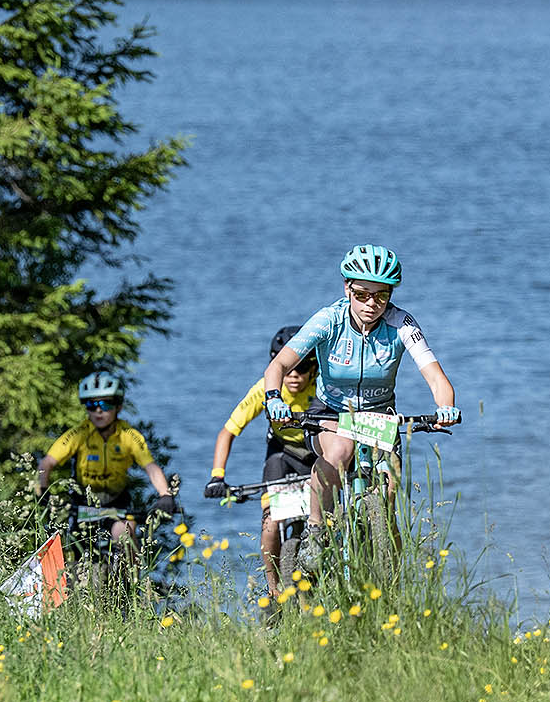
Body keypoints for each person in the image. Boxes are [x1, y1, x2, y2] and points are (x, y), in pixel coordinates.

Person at [262, 244, 459, 574]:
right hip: (331, 412)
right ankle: (315, 532)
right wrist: (273, 398)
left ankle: (391, 583)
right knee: (339, 451)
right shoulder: (329, 319)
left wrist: (446, 407)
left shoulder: (402, 324)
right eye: (362, 294)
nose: (371, 304)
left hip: (380, 415)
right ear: (347, 288)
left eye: (381, 296)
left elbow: (436, 377)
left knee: (389, 496)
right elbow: (279, 365)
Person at [204, 326, 319, 597]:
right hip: (282, 453)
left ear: (314, 368)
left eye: (302, 369)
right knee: (269, 523)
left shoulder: (325, 387)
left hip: (318, 454)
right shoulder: (265, 389)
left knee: (329, 518)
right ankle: (274, 592)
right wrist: (217, 476)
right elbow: (227, 432)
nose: (294, 376)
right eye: (287, 369)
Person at [35, 371, 176, 548]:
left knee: (124, 535)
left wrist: (165, 494)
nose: (98, 410)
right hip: (82, 504)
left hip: (117, 503)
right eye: (91, 405)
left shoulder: (129, 436)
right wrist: (42, 490)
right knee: (76, 552)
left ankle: (130, 567)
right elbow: (47, 463)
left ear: (118, 406)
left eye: (105, 404)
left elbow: (151, 467)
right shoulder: (78, 434)